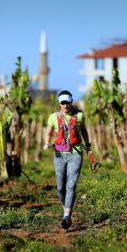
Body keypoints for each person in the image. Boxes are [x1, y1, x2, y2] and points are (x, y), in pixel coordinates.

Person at [43, 90, 91, 229]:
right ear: (59, 103)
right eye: (62, 102)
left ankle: (67, 216)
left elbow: (84, 130)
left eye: (67, 102)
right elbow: (48, 133)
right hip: (59, 154)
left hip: (75, 153)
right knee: (60, 187)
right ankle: (65, 207)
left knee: (71, 185)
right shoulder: (53, 117)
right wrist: (47, 143)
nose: (65, 105)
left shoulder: (79, 116)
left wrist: (88, 145)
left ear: (71, 102)